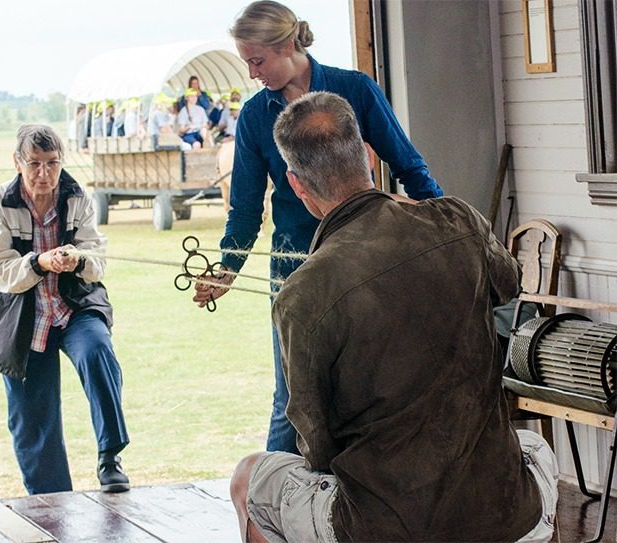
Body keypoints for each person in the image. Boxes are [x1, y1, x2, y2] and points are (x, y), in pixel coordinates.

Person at [229, 90, 559, 543]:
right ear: (367, 154)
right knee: (536, 447)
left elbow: (316, 446)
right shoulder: (457, 221)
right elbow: (509, 283)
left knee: (250, 478)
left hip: (382, 526)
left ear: (296, 185)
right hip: (502, 515)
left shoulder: (301, 293)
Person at [193, 0, 443, 455]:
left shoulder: (356, 90)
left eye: (257, 60)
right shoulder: (253, 117)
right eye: (246, 61)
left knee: (372, 389)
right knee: (291, 398)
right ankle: (268, 516)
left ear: (288, 44)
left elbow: (410, 168)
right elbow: (246, 210)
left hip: (368, 260)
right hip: (296, 268)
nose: (251, 73)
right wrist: (225, 269)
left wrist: (446, 230)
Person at [0, 124, 131, 495]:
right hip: (22, 315)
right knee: (31, 417)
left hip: (73, 306)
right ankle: (51, 500)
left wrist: (78, 258)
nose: (44, 174)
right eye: (34, 164)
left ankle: (110, 456)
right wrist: (39, 263)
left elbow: (98, 261)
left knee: (97, 350)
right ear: (17, 162)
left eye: (52, 163)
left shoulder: (77, 196)